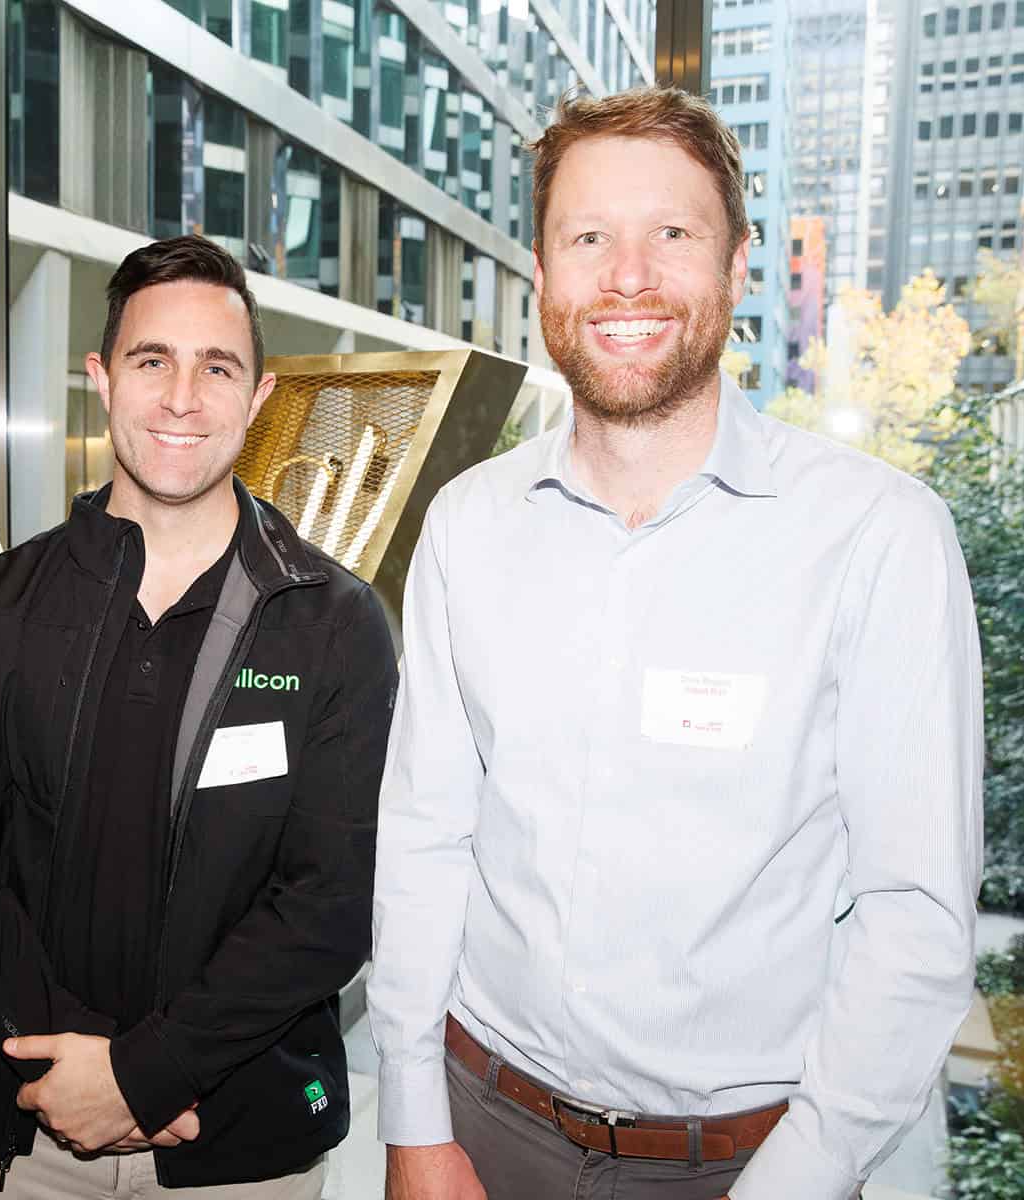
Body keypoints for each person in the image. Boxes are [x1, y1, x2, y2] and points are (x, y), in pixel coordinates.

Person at [368, 86, 983, 1200]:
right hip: (481, 1125)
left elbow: (916, 913)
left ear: (738, 266)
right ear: (542, 273)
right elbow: (425, 835)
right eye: (588, 238)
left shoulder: (878, 535)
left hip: (748, 1164)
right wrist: (411, 1121)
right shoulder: (468, 523)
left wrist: (802, 1176)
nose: (628, 276)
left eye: (672, 234)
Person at [0, 234, 396, 1197]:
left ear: (259, 397)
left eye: (217, 368)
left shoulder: (332, 623)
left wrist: (145, 1073)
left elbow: (334, 899)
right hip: (25, 1122)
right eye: (152, 361)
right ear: (102, 378)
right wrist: (78, 1068)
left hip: (236, 1137)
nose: (182, 398)